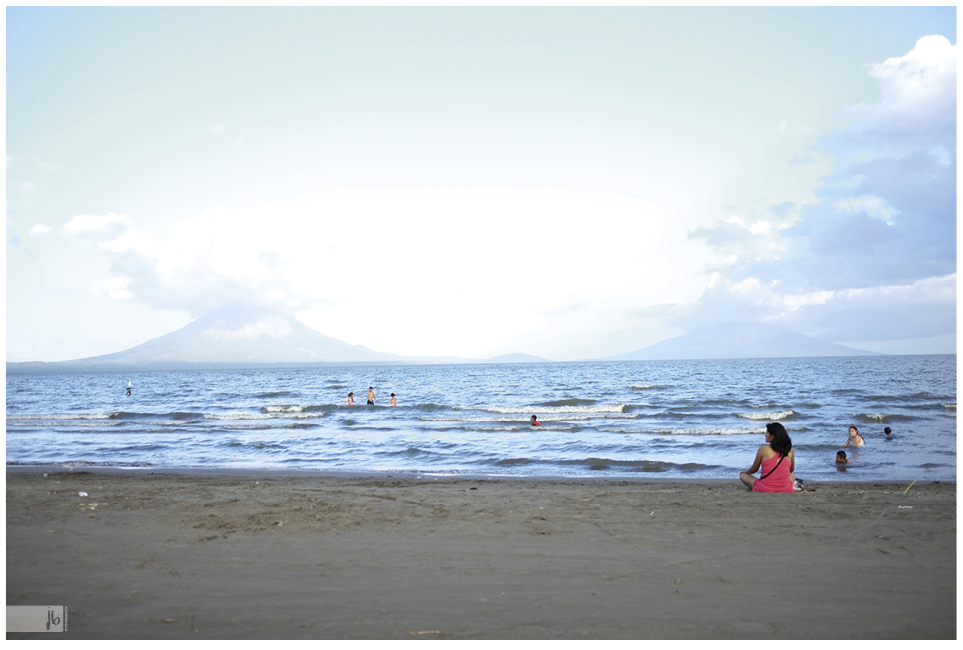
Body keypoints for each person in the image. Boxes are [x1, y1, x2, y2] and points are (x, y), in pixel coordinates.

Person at [739, 422, 795, 492]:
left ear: (773, 436)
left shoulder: (763, 449)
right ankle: (785, 485)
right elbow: (791, 470)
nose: (765, 435)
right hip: (786, 489)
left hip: (765, 488)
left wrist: (747, 471)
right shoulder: (790, 451)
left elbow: (754, 469)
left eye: (767, 433)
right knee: (792, 475)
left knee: (742, 475)